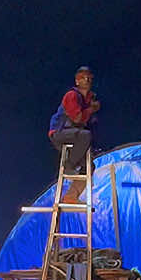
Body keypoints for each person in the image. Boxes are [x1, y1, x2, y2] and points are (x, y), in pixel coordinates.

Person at [48, 66, 100, 201]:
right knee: (85, 135)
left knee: (89, 166)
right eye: (84, 78)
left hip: (75, 137)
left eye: (89, 78)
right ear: (77, 81)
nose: (87, 80)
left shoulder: (87, 101)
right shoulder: (72, 96)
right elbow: (76, 118)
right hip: (60, 133)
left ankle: (71, 196)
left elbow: (87, 124)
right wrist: (90, 110)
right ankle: (69, 165)